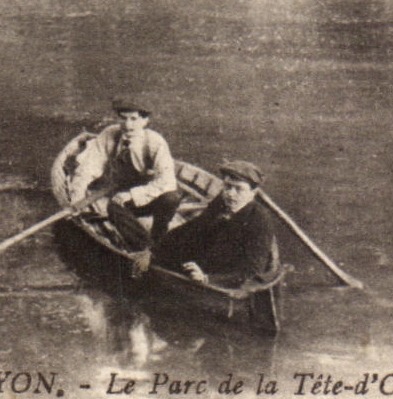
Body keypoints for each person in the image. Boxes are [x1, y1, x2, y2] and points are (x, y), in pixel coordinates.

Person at [68, 98, 184, 269]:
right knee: (113, 207)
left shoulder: (155, 142)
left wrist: (131, 194)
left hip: (149, 195)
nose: (128, 125)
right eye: (123, 118)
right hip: (123, 197)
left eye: (134, 119)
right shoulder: (109, 135)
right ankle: (146, 248)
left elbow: (166, 181)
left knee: (172, 198)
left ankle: (158, 237)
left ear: (145, 121)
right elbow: (89, 167)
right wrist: (77, 199)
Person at [155, 160, 280, 288]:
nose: (230, 193)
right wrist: (153, 251)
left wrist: (207, 279)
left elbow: (251, 271)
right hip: (204, 263)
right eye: (227, 186)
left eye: (239, 189)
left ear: (253, 192)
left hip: (224, 277)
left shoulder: (260, 219)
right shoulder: (222, 201)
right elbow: (193, 226)